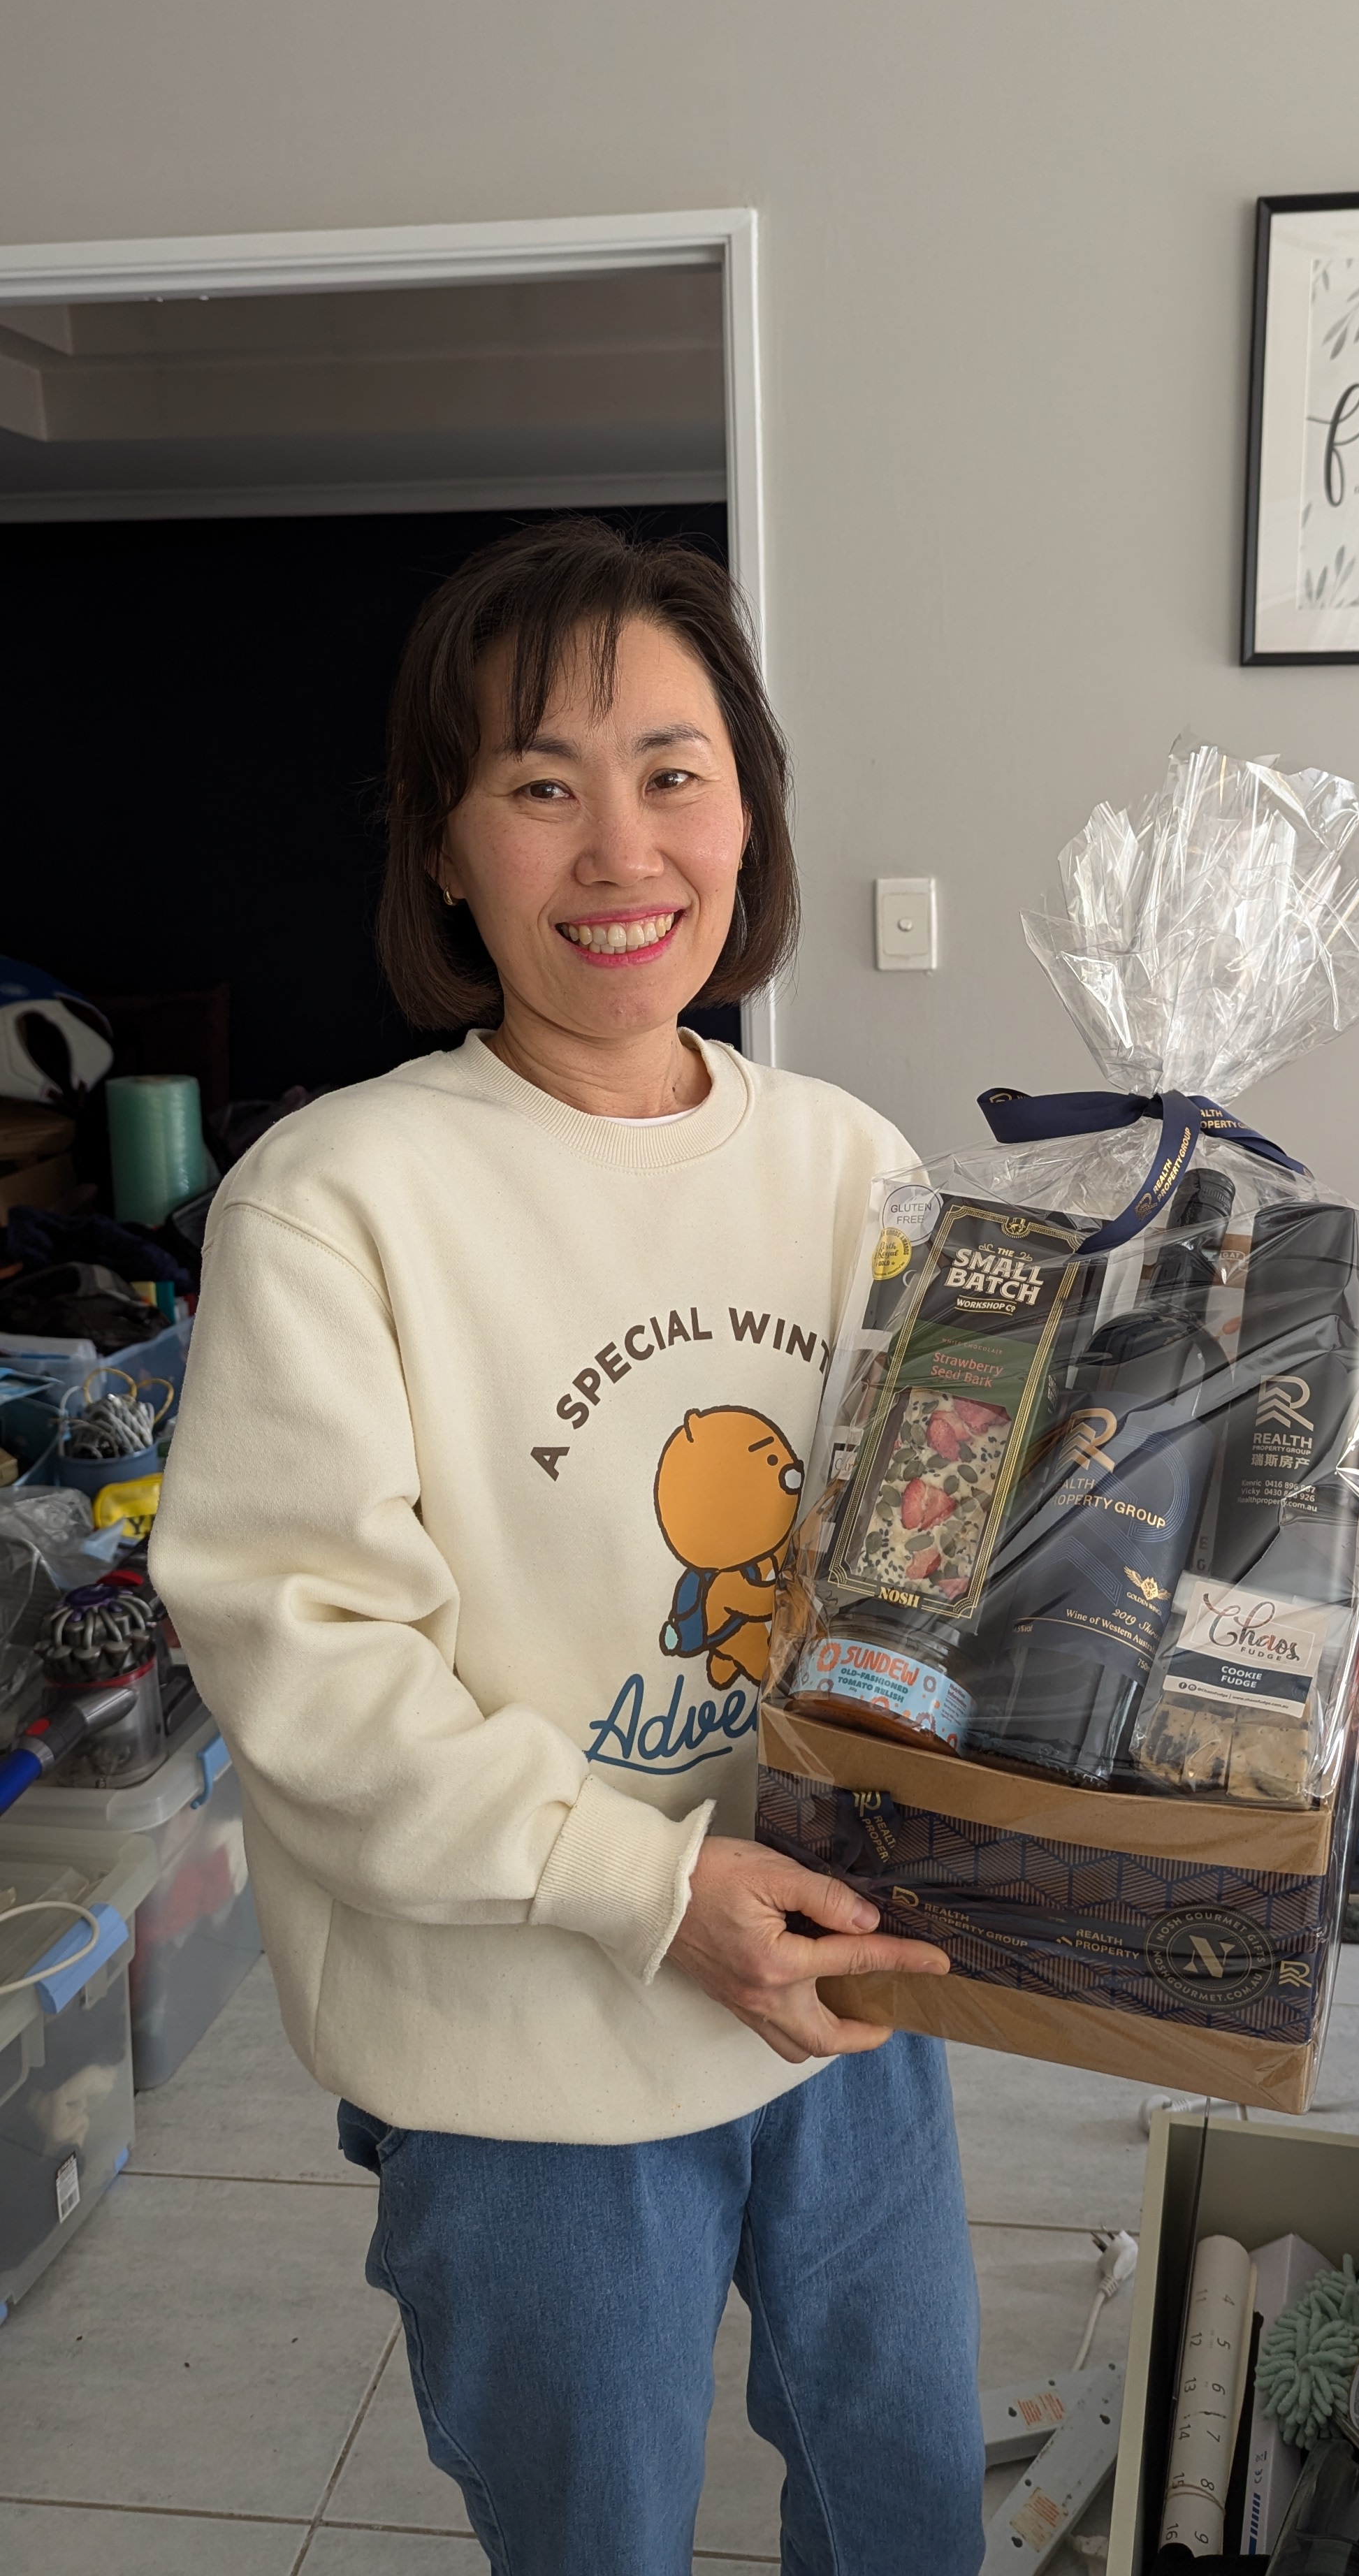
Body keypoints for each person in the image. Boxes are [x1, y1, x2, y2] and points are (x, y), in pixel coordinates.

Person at [150, 521, 987, 2576]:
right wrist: (650, 1888)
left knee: (906, 2505)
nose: (622, 849)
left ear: (746, 813)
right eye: (540, 784)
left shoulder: (853, 1165)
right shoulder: (339, 1196)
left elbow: (950, 1553)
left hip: (840, 1998)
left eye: (672, 772)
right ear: (445, 851)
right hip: (523, 2063)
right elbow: (308, 1659)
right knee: (593, 2537)